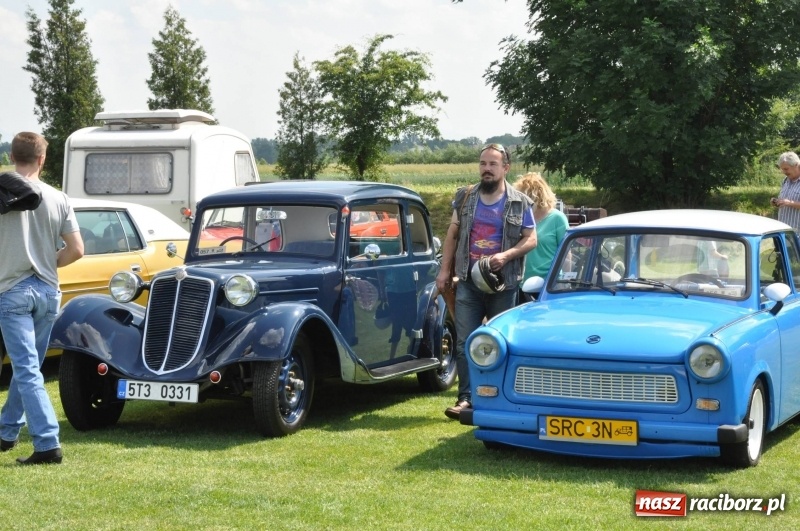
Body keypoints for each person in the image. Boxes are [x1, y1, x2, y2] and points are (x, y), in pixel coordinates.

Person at [435, 144, 537, 420]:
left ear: (506, 168)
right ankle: (466, 399)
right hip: (468, 282)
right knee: (465, 341)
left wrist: (506, 255)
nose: (487, 169)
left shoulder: (520, 202)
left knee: (502, 342)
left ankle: (501, 398)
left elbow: (531, 239)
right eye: (483, 163)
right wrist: (444, 271)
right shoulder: (465, 197)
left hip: (504, 285)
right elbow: (452, 235)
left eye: (493, 164)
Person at [0, 132, 84, 465]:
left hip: (12, 290)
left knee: (26, 369)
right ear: (42, 159)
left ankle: (48, 442)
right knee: (29, 368)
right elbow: (76, 249)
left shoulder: (2, 191)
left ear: (11, 156)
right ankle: (6, 432)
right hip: (48, 292)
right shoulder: (58, 197)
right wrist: (47, 261)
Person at [514, 172, 569, 292]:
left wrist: (565, 283)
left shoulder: (557, 218)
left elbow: (566, 253)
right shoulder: (519, 218)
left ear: (534, 197)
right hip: (520, 284)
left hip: (549, 285)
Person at [772, 151, 800, 233]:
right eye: (782, 169)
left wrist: (790, 203)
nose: (784, 172)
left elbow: (788, 202)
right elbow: (785, 201)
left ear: (796, 165)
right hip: (783, 230)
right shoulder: (785, 181)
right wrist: (777, 202)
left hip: (797, 233)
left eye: (786, 169)